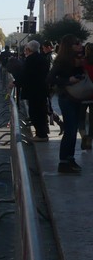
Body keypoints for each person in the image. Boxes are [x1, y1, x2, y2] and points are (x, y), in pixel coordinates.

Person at [47, 34, 85, 174]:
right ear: (70, 46)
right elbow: (50, 78)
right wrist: (68, 80)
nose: (80, 45)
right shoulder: (61, 61)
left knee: (73, 130)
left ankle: (70, 158)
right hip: (66, 97)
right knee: (69, 130)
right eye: (77, 43)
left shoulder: (79, 58)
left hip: (77, 97)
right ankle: (63, 162)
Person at [13, 40, 50, 142]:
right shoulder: (42, 58)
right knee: (41, 112)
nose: (24, 51)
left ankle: (41, 134)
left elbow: (26, 74)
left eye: (25, 49)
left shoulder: (31, 59)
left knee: (35, 113)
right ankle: (42, 133)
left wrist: (15, 83)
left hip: (34, 90)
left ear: (29, 49)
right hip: (41, 89)